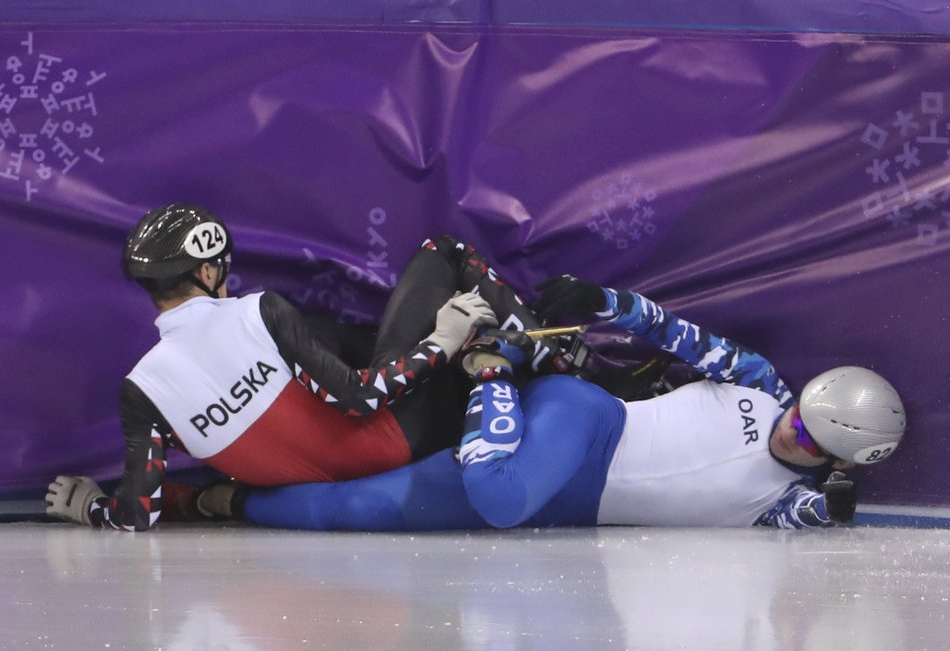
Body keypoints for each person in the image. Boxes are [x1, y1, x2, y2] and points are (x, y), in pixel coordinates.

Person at [44, 203, 589, 530]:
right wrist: (442, 342)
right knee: (443, 252)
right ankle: (570, 365)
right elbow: (361, 400)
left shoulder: (140, 390)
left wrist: (92, 508)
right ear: (209, 270)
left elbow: (137, 515)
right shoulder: (259, 310)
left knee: (334, 339)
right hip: (399, 438)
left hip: (316, 486)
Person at [216, 275, 906, 531]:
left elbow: (813, 516)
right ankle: (493, 376)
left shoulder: (786, 503)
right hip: (587, 424)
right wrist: (604, 303)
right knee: (501, 501)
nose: (793, 435)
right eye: (799, 416)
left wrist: (834, 507)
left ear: (838, 462)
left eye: (813, 445)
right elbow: (676, 334)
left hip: (567, 497)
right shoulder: (761, 384)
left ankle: (212, 503)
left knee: (353, 511)